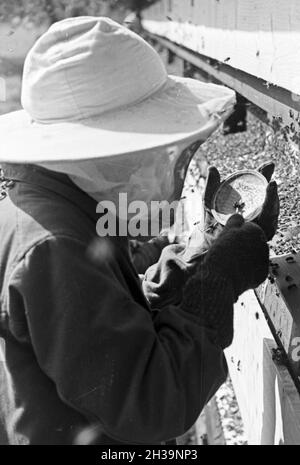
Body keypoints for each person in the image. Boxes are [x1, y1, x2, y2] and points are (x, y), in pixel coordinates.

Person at [0, 17, 279, 445]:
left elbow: (93, 320)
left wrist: (191, 254)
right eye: (150, 147)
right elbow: (151, 403)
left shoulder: (57, 202)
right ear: (102, 149)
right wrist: (217, 283)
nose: (158, 161)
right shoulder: (51, 248)